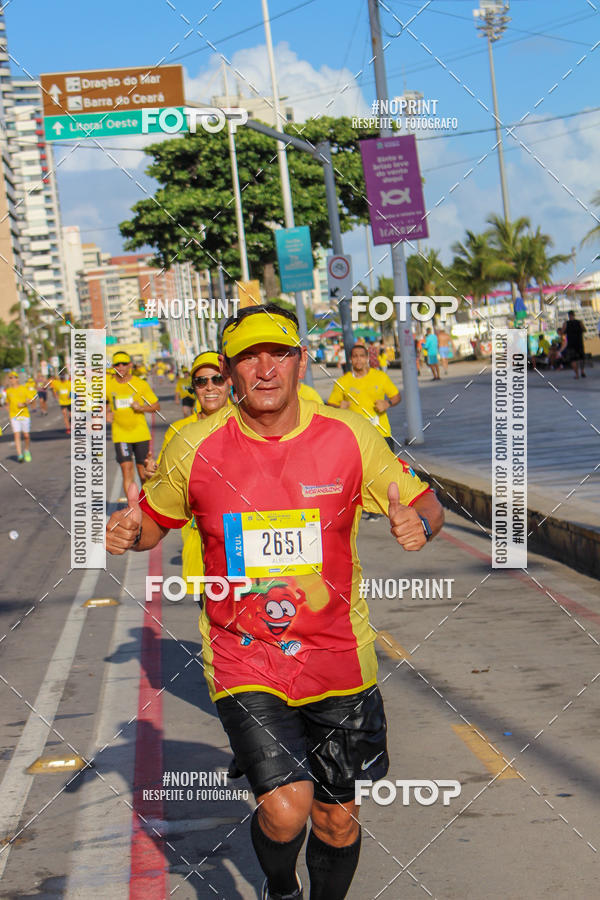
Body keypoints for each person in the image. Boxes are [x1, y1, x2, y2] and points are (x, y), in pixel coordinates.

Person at [106, 303, 444, 900]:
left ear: (301, 361)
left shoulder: (348, 436)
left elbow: (424, 501)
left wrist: (420, 522)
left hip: (340, 659)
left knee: (337, 819)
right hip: (246, 658)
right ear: (229, 370)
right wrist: (131, 532)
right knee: (287, 811)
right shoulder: (195, 444)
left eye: (279, 354)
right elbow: (154, 522)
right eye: (247, 357)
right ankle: (281, 888)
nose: (265, 369)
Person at [145, 351, 231, 604]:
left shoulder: (248, 422)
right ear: (193, 388)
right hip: (200, 542)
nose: (210, 387)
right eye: (201, 382)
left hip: (245, 542)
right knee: (209, 617)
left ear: (230, 381)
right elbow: (164, 484)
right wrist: (154, 474)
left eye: (217, 379)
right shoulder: (180, 431)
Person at [106, 349, 161, 497]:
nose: (121, 367)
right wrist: (105, 412)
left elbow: (156, 406)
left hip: (140, 433)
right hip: (121, 434)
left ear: (130, 365)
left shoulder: (140, 384)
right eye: (117, 364)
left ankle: (146, 505)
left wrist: (141, 407)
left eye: (124, 364)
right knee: (126, 470)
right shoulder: (107, 383)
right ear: (113, 366)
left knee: (143, 473)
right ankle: (133, 507)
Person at [326, 343, 401, 451]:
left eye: (362, 356)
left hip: (381, 434)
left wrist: (387, 403)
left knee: (387, 468)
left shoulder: (380, 376)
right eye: (355, 356)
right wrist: (339, 408)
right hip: (356, 437)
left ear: (367, 358)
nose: (358, 359)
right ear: (351, 359)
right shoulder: (342, 382)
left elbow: (397, 396)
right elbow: (330, 405)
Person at [6, 371, 32, 462]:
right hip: (14, 416)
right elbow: (7, 403)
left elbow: (30, 400)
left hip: (24, 414)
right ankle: (19, 454)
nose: (12, 379)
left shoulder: (23, 388)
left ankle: (26, 450)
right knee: (17, 435)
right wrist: (9, 413)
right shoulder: (8, 391)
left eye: (14, 377)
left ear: (17, 379)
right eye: (10, 378)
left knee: (26, 436)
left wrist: (24, 403)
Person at [562, 310, 586, 379]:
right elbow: (584, 330)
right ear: (574, 315)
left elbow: (563, 332)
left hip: (571, 344)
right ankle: (582, 371)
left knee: (573, 360)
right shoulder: (579, 322)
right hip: (579, 342)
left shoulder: (566, 323)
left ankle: (577, 375)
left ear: (569, 316)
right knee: (581, 358)